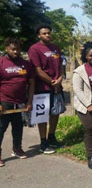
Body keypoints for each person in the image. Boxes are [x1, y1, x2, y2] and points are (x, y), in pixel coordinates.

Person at [28, 24, 65, 154]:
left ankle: (52, 137)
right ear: (39, 35)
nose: (47, 35)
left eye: (48, 33)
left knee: (55, 113)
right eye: (44, 33)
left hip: (56, 86)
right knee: (43, 115)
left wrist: (59, 79)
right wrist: (52, 81)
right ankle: (43, 142)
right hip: (42, 87)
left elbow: (61, 65)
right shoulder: (34, 49)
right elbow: (37, 70)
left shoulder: (55, 48)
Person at [0, 38, 35, 167]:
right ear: (6, 49)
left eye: (18, 49)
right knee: (1, 128)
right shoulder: (1, 63)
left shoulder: (25, 64)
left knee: (18, 128)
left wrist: (29, 101)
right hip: (4, 102)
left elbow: (31, 84)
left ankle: (17, 148)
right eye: (12, 49)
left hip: (20, 102)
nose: (15, 51)